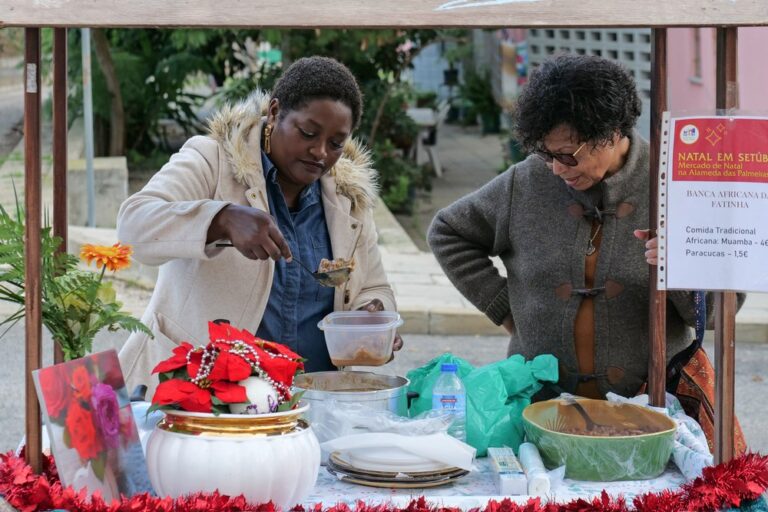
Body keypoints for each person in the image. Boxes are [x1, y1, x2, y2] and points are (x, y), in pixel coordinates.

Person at [427, 54, 745, 403]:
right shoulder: (526, 181)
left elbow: (716, 314)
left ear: (611, 134)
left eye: (567, 155)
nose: (556, 169)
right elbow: (447, 232)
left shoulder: (678, 183)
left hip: (651, 407)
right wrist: (505, 307)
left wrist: (681, 267)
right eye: (546, 154)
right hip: (541, 406)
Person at [117, 56, 402, 397]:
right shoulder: (211, 162)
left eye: (336, 143)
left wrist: (373, 314)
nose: (320, 152)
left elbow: (374, 287)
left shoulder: (348, 200)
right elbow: (133, 226)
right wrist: (220, 219)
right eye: (308, 133)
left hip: (309, 401)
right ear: (275, 112)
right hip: (201, 399)